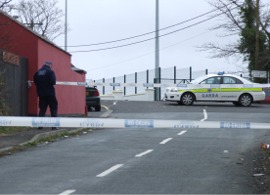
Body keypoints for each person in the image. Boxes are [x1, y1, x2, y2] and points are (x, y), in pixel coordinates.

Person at [34, 61, 59, 130]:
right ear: (50, 65)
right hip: (50, 94)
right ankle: (54, 126)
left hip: (41, 94)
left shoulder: (37, 73)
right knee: (53, 108)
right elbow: (53, 82)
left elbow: (35, 82)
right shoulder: (50, 72)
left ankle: (40, 125)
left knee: (42, 109)